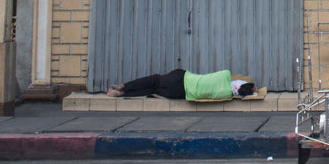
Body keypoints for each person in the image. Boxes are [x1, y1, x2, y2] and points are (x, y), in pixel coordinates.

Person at [106, 68, 258, 100]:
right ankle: (121, 94)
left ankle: (124, 86)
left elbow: (234, 78)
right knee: (153, 89)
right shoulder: (225, 94)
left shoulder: (224, 75)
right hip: (180, 94)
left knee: (154, 79)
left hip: (182, 78)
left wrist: (249, 85)